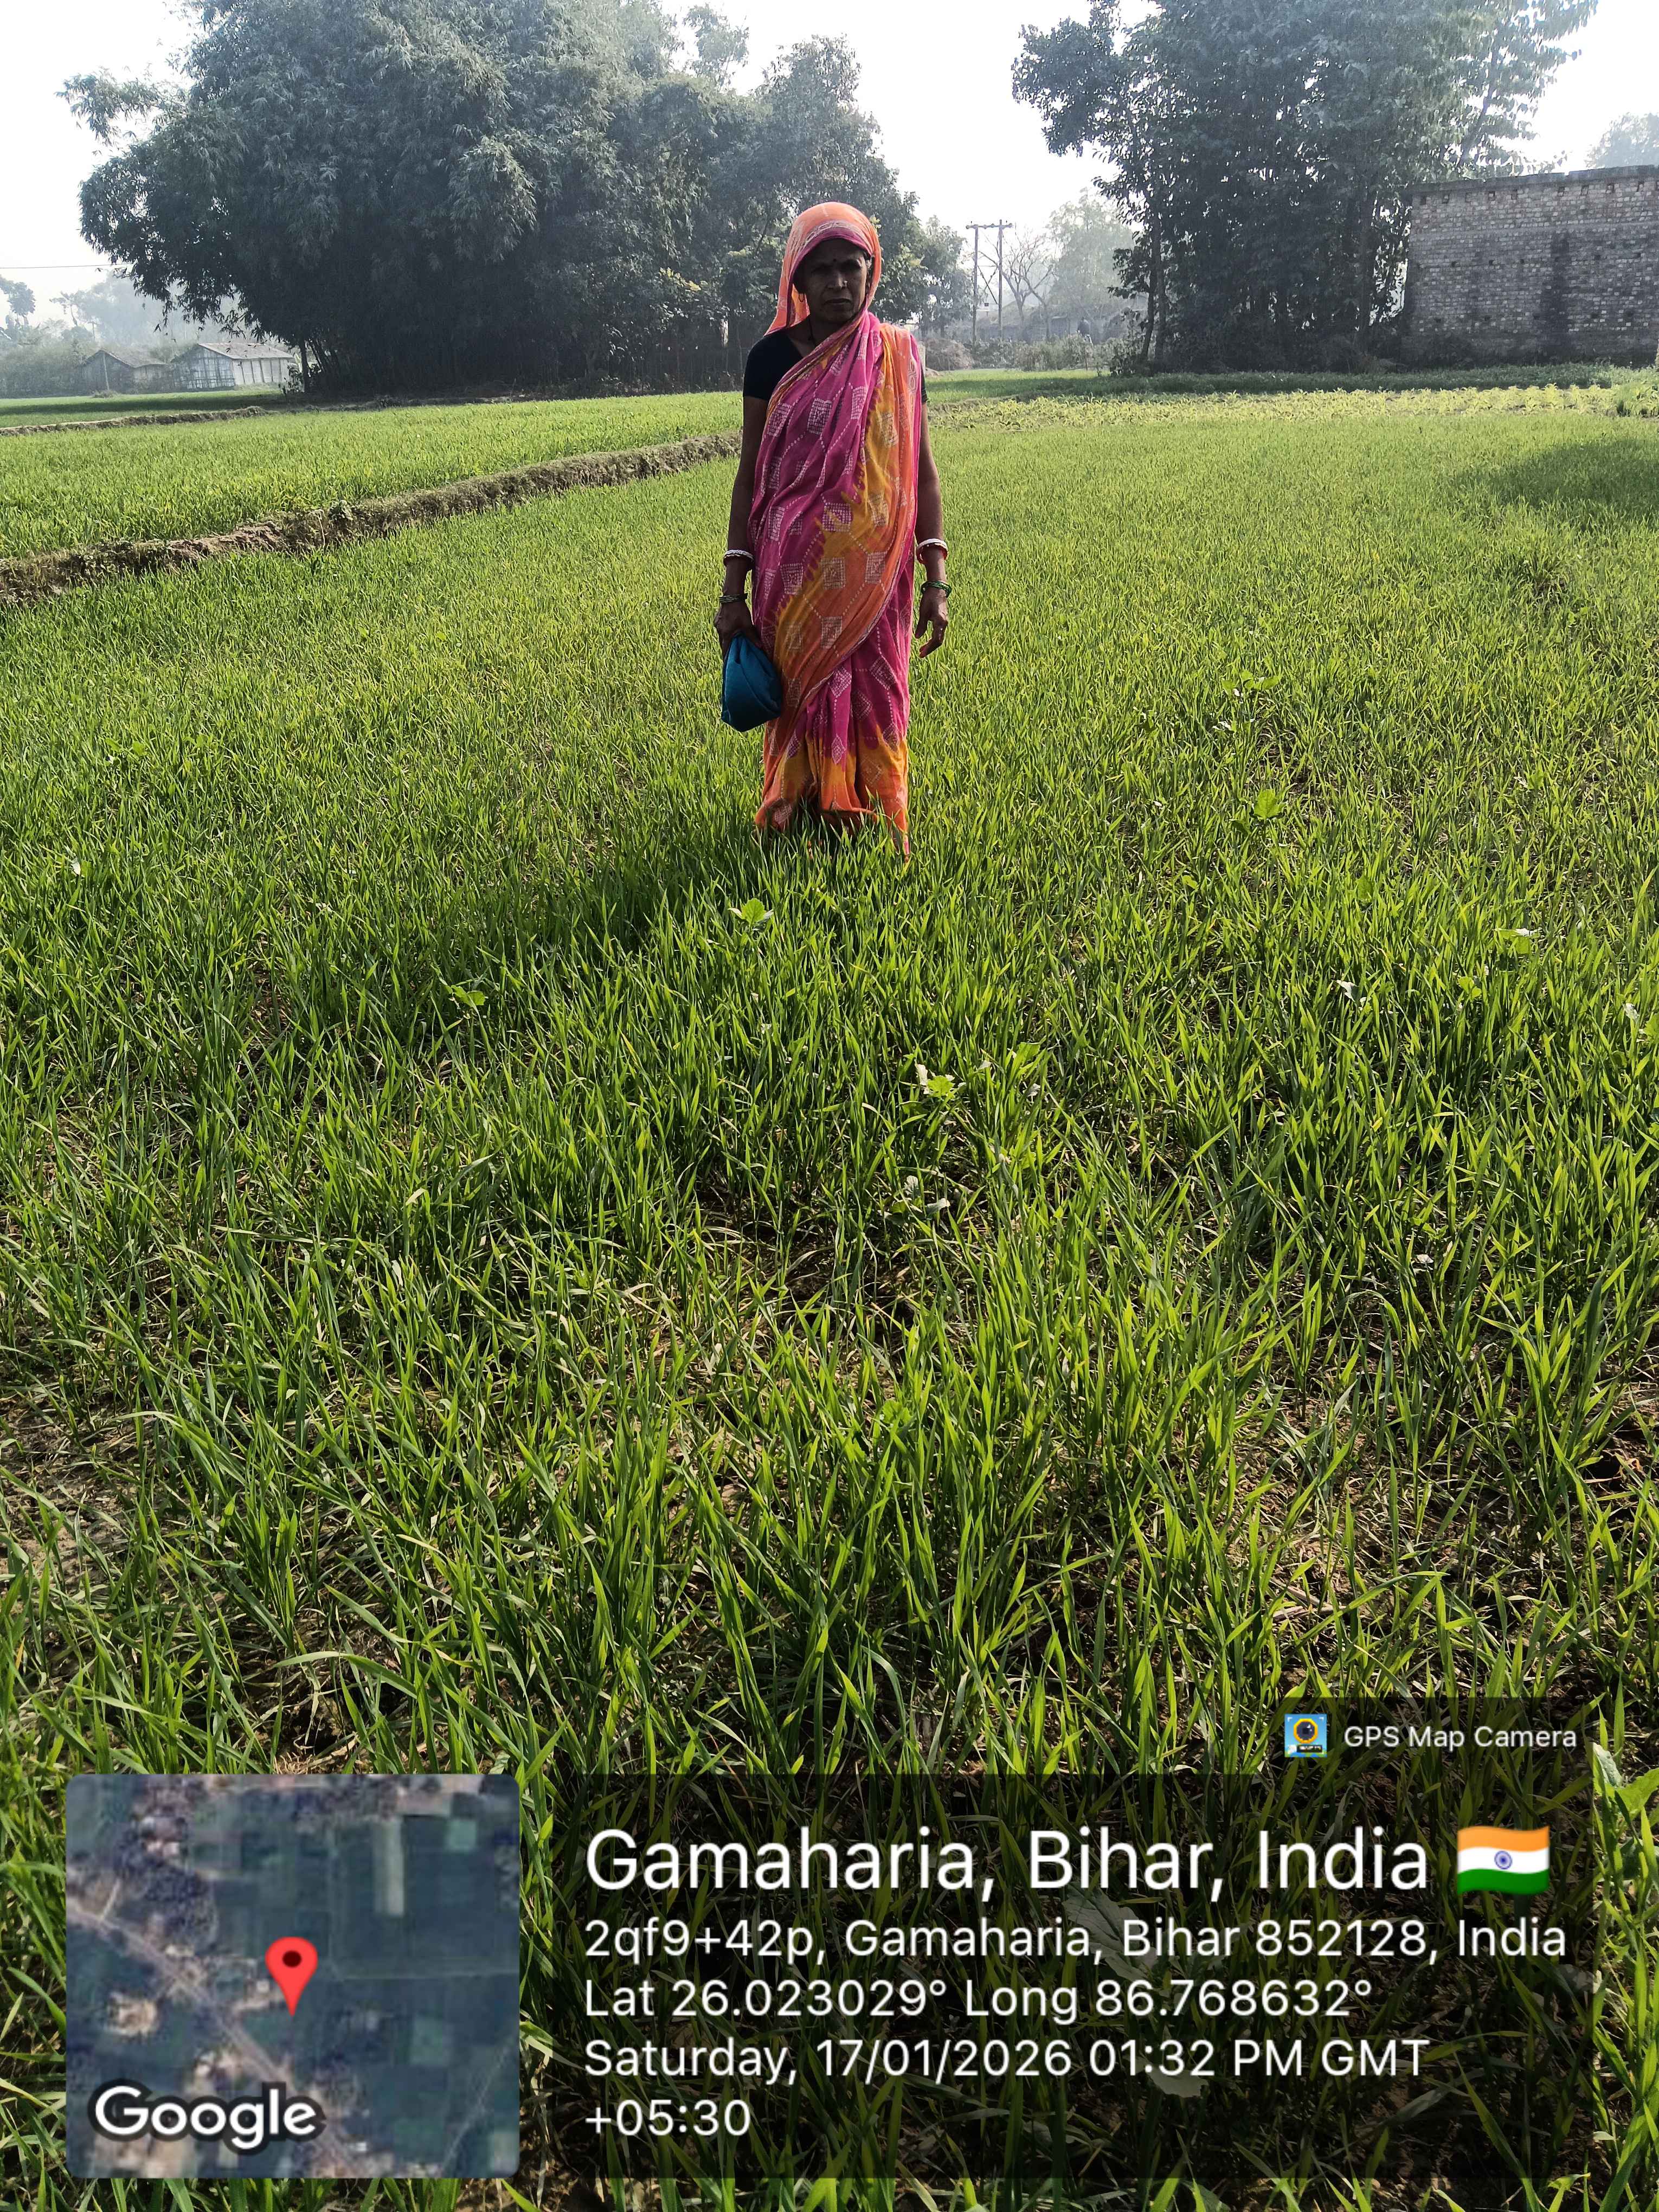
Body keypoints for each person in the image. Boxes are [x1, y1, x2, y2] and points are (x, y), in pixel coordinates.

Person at [715, 202, 948, 853]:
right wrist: (733, 591)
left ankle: (867, 815)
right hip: (792, 570)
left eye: (852, 266)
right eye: (822, 270)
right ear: (797, 279)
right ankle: (797, 816)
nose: (839, 283)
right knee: (800, 694)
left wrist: (936, 580)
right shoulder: (770, 359)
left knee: (877, 690)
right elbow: (749, 476)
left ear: (872, 271)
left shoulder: (898, 356)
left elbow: (923, 474)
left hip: (878, 572)